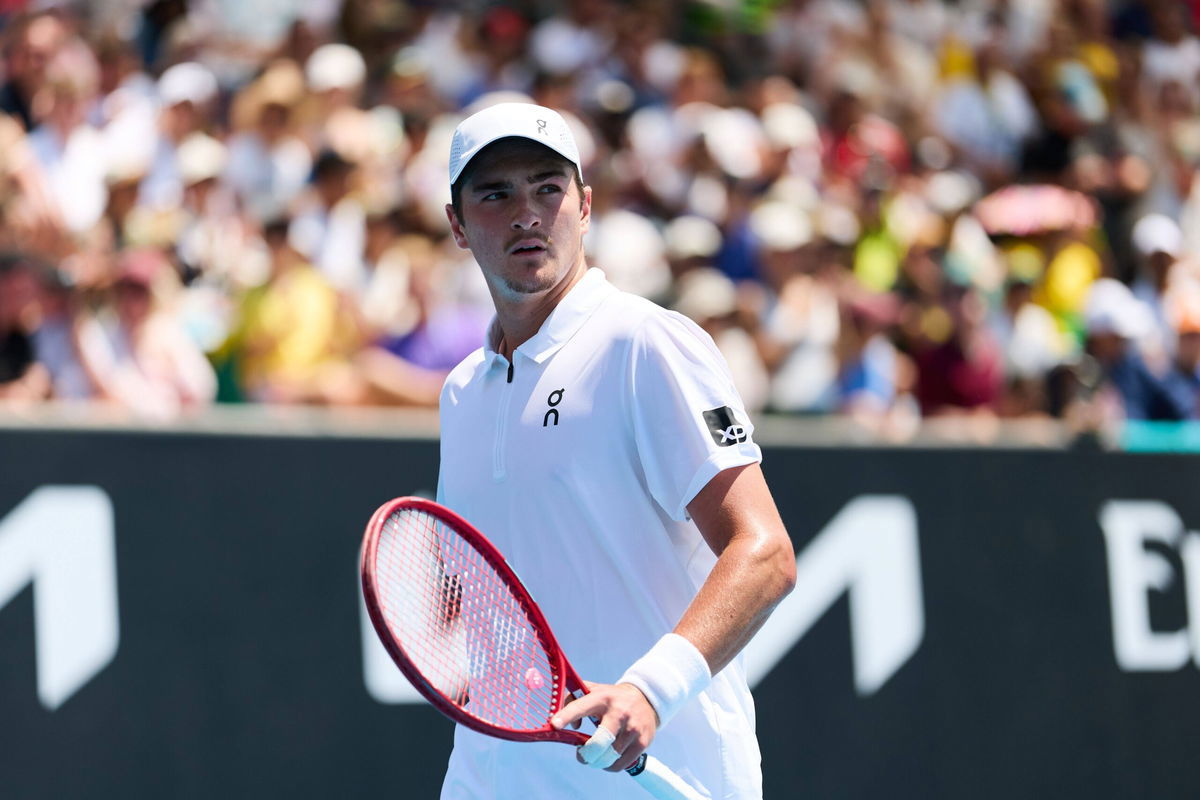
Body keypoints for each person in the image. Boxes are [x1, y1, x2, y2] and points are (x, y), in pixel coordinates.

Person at [435, 102, 796, 799]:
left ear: (586, 206)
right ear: (457, 224)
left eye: (548, 188)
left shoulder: (646, 344)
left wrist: (649, 691)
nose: (526, 213)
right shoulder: (462, 393)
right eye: (495, 194)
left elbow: (765, 553)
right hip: (492, 781)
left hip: (662, 783)